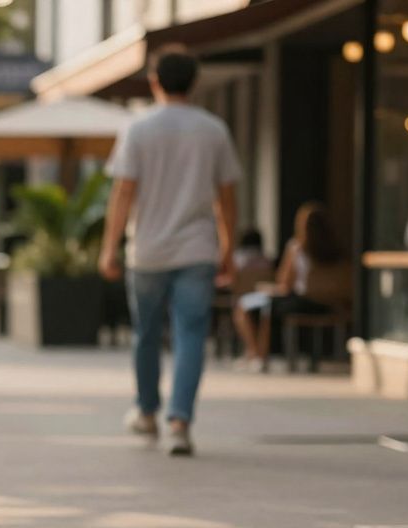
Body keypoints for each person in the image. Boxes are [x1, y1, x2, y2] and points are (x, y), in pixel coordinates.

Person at [99, 45, 240, 457]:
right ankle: (179, 422)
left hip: (147, 251)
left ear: (155, 80)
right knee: (191, 334)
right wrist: (228, 245)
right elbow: (226, 197)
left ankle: (146, 412)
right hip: (198, 249)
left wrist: (109, 247)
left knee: (145, 334)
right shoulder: (213, 130)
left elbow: (123, 191)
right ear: (194, 82)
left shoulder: (137, 128)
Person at [232, 202, 351, 371]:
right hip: (332, 304)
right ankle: (257, 354)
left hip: (303, 301)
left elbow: (284, 283)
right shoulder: (338, 250)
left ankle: (257, 354)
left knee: (252, 305)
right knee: (266, 306)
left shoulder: (296, 248)